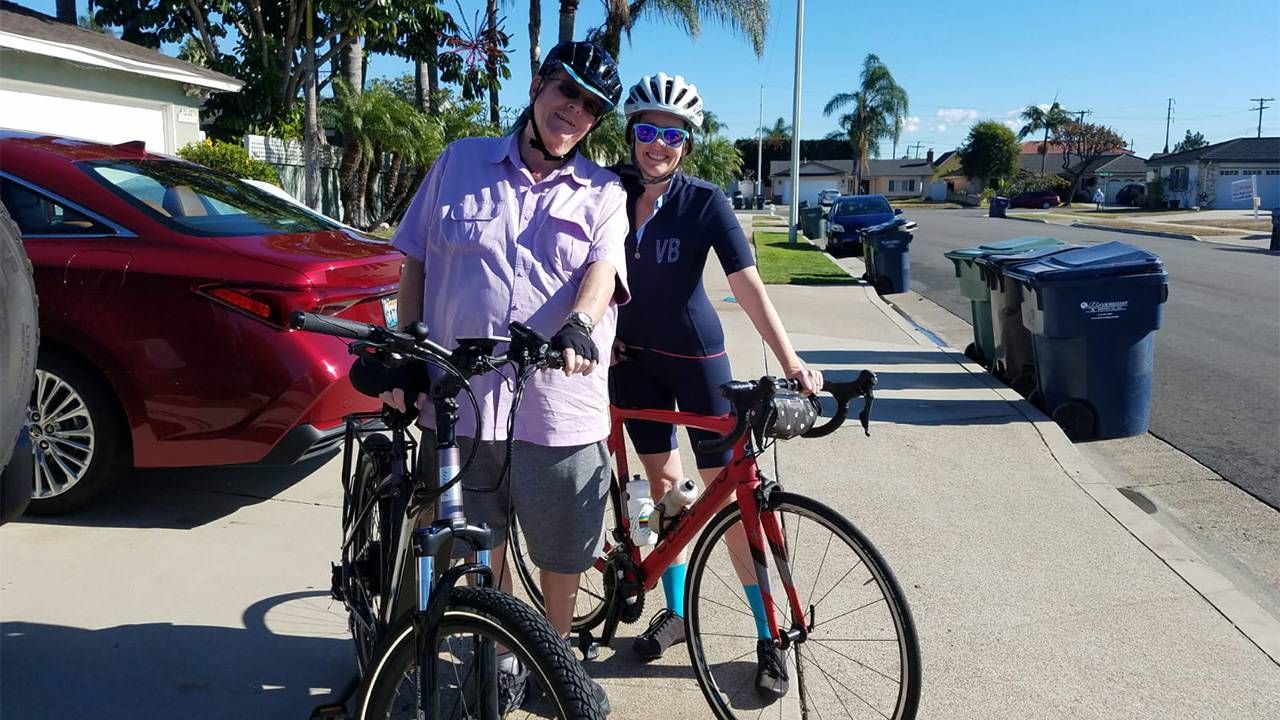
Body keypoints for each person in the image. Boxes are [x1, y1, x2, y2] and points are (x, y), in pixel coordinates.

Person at [386, 40, 627, 713]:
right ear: (538, 86)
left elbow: (602, 272)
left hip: (559, 408)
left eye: (590, 105)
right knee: (481, 548)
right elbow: (415, 261)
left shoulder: (604, 193)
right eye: (566, 91)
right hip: (461, 404)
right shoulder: (459, 160)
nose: (573, 110)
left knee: (562, 552)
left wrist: (579, 323)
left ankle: (552, 663)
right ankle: (498, 656)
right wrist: (409, 342)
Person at [607, 73, 822, 700]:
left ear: (687, 143)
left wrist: (790, 360)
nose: (658, 143)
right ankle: (674, 613)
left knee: (729, 503)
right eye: (647, 130)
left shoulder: (705, 202)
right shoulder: (608, 191)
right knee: (662, 489)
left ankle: (767, 634)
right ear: (631, 134)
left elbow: (747, 283)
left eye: (672, 134)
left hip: (697, 358)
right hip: (631, 361)